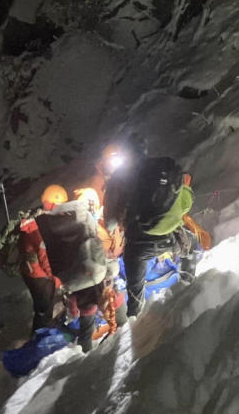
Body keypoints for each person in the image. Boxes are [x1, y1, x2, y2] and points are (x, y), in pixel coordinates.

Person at [104, 134, 199, 318]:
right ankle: (189, 289)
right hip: (173, 238)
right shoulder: (162, 172)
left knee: (135, 287)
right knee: (191, 244)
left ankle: (135, 318)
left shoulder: (118, 180)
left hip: (140, 245)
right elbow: (187, 201)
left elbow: (110, 223)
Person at [34, 186, 111, 352]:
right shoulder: (82, 217)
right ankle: (87, 345)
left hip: (64, 278)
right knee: (90, 305)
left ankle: (76, 344)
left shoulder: (41, 226)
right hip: (90, 274)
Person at [18, 185, 64, 332]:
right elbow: (45, 258)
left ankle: (41, 328)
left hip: (28, 271)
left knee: (40, 304)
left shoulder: (33, 220)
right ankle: (41, 333)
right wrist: (56, 279)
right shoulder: (41, 230)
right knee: (45, 307)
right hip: (39, 276)